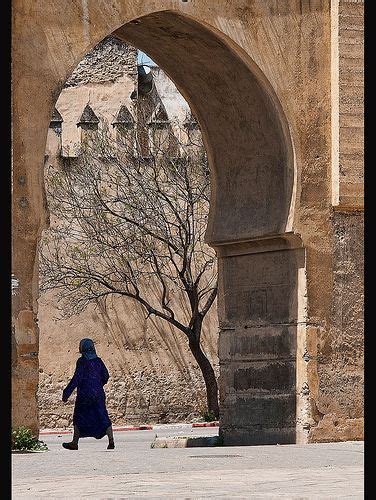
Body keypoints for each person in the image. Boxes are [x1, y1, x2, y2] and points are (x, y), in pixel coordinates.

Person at [61, 338, 115, 450]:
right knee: (103, 416)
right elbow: (106, 376)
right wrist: (98, 385)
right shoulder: (98, 361)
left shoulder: (82, 362)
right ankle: (111, 441)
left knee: (78, 417)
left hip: (84, 396)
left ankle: (74, 442)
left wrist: (66, 393)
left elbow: (76, 379)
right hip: (98, 395)